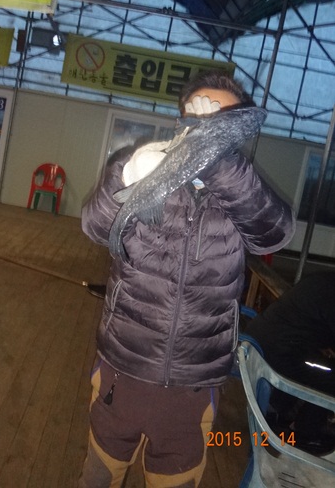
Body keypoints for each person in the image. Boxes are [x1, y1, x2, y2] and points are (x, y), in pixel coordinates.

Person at [79, 72, 296, 488]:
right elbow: (95, 226)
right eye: (199, 116)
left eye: (220, 119)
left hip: (194, 388)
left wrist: (215, 159)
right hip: (122, 369)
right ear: (181, 120)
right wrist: (127, 173)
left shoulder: (241, 191)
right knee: (98, 476)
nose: (207, 126)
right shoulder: (144, 166)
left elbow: (275, 233)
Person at [245, 271, 335, 453]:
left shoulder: (324, 279)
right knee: (330, 374)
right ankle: (305, 433)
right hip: (278, 353)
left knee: (318, 362)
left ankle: (280, 410)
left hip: (259, 342)